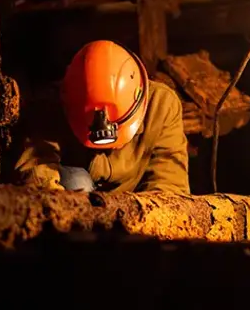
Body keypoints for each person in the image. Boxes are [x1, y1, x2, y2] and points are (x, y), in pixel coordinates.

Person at [14, 40, 190, 194]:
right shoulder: (52, 105)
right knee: (78, 181)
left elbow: (169, 183)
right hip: (76, 198)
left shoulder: (161, 104)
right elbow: (36, 171)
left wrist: (139, 216)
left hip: (136, 205)